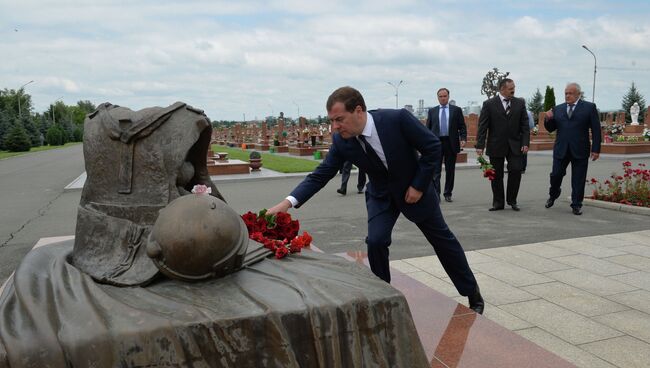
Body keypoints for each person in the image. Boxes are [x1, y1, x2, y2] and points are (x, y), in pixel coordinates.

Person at [267, 86, 484, 314]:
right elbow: (321, 175)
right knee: (376, 242)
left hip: (414, 190)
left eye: (339, 119)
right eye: (331, 121)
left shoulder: (396, 120)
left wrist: (418, 186)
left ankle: (472, 292)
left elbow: (432, 147)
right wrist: (286, 203)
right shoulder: (342, 141)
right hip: (381, 195)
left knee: (443, 241)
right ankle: (384, 298)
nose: (335, 127)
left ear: (358, 111)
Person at [544, 82, 601, 215]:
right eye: (566, 93)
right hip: (561, 149)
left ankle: (576, 204)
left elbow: (596, 130)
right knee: (556, 175)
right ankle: (553, 194)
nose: (567, 96)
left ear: (578, 94)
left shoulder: (589, 108)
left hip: (580, 149)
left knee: (578, 178)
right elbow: (551, 128)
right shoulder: (558, 109)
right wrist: (548, 119)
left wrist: (596, 149)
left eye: (570, 93)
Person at [476, 78, 530, 211]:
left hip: (515, 145)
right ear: (502, 89)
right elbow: (483, 126)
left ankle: (512, 200)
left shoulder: (519, 103)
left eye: (514, 87)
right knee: (496, 175)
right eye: (511, 88)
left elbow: (525, 125)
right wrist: (480, 145)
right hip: (496, 145)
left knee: (516, 170)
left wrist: (525, 142)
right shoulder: (489, 104)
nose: (513, 89)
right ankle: (498, 202)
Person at [426, 88, 467, 202]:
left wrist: (463, 138)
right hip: (436, 144)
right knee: (435, 171)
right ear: (437, 97)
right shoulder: (432, 111)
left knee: (450, 170)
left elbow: (462, 126)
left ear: (448, 97)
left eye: (445, 96)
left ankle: (448, 193)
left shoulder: (456, 110)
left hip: (451, 143)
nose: (443, 98)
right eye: (440, 96)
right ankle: (436, 194)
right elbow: (428, 129)